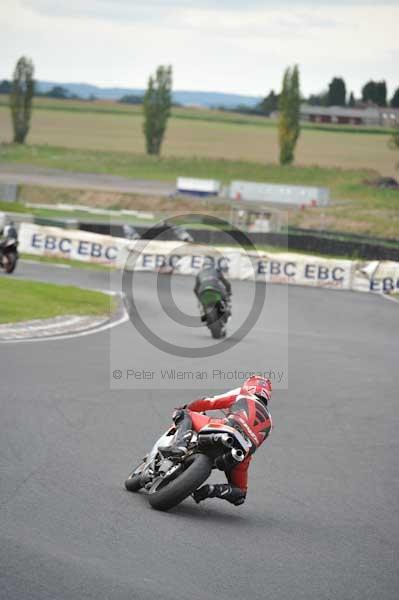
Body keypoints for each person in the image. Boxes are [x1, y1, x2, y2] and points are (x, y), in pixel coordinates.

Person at [160, 376, 272, 506]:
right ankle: (213, 490)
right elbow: (256, 444)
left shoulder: (242, 393)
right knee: (240, 493)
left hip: (226, 429)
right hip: (242, 452)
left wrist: (188, 407)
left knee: (183, 414)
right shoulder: (270, 421)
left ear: (249, 385)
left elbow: (210, 402)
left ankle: (179, 447)